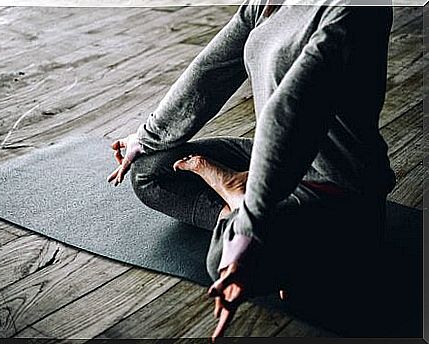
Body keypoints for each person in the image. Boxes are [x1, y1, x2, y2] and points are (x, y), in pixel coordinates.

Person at [107, 0, 396, 340]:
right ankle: (240, 204)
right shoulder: (268, 2)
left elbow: (292, 109)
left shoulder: (356, 9)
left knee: (220, 262)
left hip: (335, 184)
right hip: (270, 158)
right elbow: (209, 72)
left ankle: (240, 204)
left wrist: (249, 226)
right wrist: (146, 137)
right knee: (149, 172)